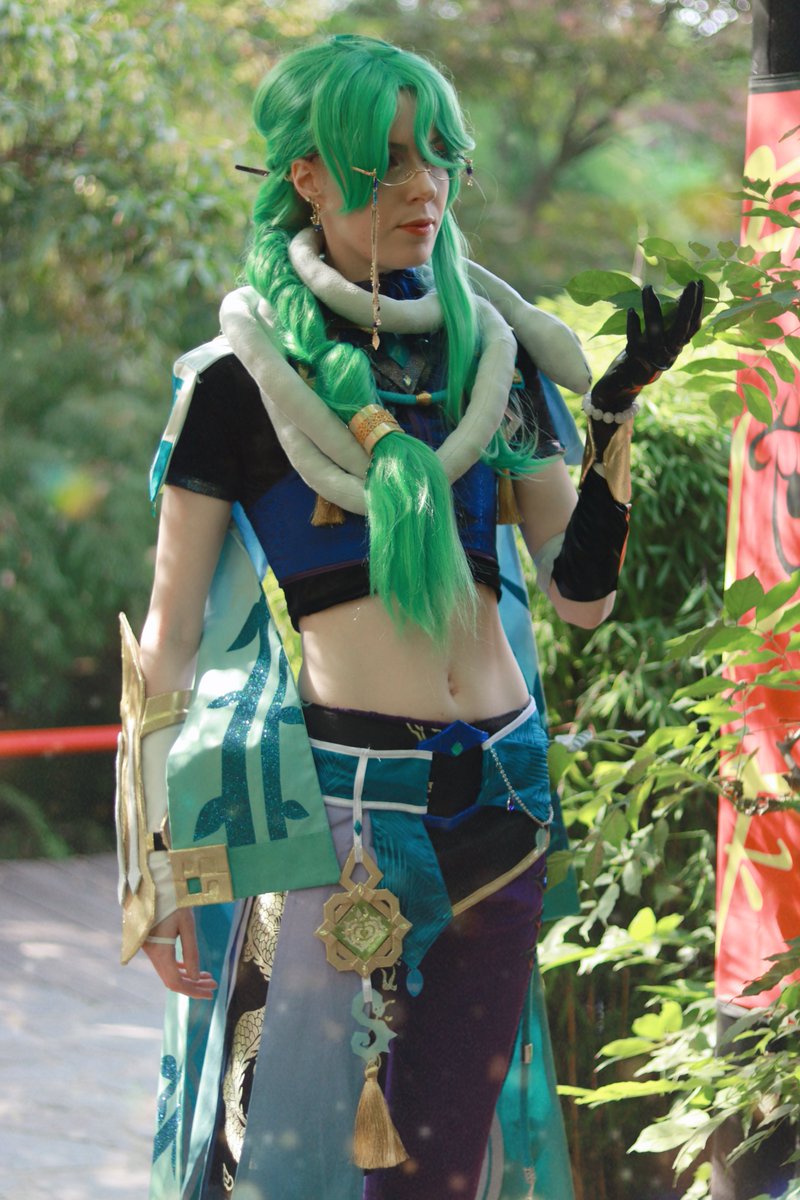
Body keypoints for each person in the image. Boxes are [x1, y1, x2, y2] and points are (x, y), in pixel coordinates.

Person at [115, 33, 703, 1200]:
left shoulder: (492, 360)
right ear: (305, 177)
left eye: (437, 154)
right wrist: (155, 871)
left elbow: (578, 597)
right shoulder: (234, 379)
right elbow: (168, 639)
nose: (420, 185)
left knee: (436, 1173)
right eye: (381, 160)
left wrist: (613, 418)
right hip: (336, 820)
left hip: (503, 801)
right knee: (273, 1158)